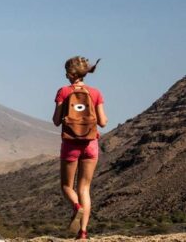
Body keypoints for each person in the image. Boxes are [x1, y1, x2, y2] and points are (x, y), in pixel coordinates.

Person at [52, 56, 108, 240]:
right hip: (90, 144)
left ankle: (77, 207)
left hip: (70, 144)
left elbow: (55, 121)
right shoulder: (96, 93)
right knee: (84, 188)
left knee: (67, 186)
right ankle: (83, 233)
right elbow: (103, 122)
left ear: (70, 73)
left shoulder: (64, 92)